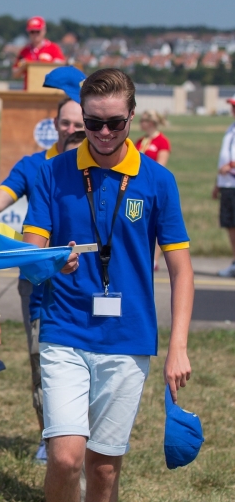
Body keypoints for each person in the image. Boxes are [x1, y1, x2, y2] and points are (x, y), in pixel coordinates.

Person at [22, 68, 193, 502]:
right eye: (93, 122)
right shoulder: (51, 173)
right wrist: (50, 261)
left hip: (128, 336)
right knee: (65, 458)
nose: (102, 132)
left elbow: (182, 271)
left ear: (132, 116)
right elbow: (30, 256)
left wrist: (177, 347)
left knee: (102, 469)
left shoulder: (158, 180)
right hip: (65, 329)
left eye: (114, 122)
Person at [0, 95, 85, 463]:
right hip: (41, 285)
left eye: (79, 124)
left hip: (90, 284)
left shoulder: (102, 166)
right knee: (42, 362)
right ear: (55, 124)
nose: (72, 130)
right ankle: (50, 435)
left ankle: (85, 435)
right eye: (66, 123)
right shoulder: (33, 165)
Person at [135, 110, 172, 270]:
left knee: (155, 222)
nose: (140, 123)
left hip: (152, 185)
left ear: (150, 123)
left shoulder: (162, 141)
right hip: (138, 185)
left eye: (143, 120)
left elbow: (161, 166)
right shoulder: (140, 141)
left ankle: (155, 259)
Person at [13, 16, 66, 87]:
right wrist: (23, 67)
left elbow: (62, 68)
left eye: (38, 31)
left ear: (44, 31)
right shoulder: (24, 51)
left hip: (50, 89)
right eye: (32, 32)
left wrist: (49, 64)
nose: (35, 34)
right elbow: (15, 73)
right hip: (30, 90)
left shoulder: (53, 48)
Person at [214, 96, 235, 277]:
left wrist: (231, 166)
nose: (232, 110)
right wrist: (217, 184)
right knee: (230, 224)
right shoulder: (231, 128)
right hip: (227, 183)